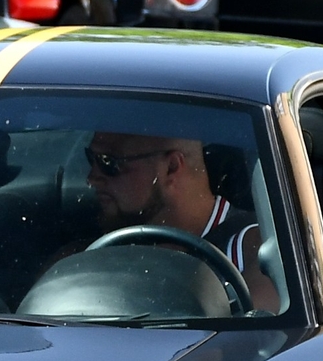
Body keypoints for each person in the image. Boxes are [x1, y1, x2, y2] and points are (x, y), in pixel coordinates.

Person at [84, 132, 281, 311]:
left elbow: (252, 334)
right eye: (90, 158)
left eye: (108, 162)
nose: (92, 178)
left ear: (172, 167)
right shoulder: (92, 251)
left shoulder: (255, 247)